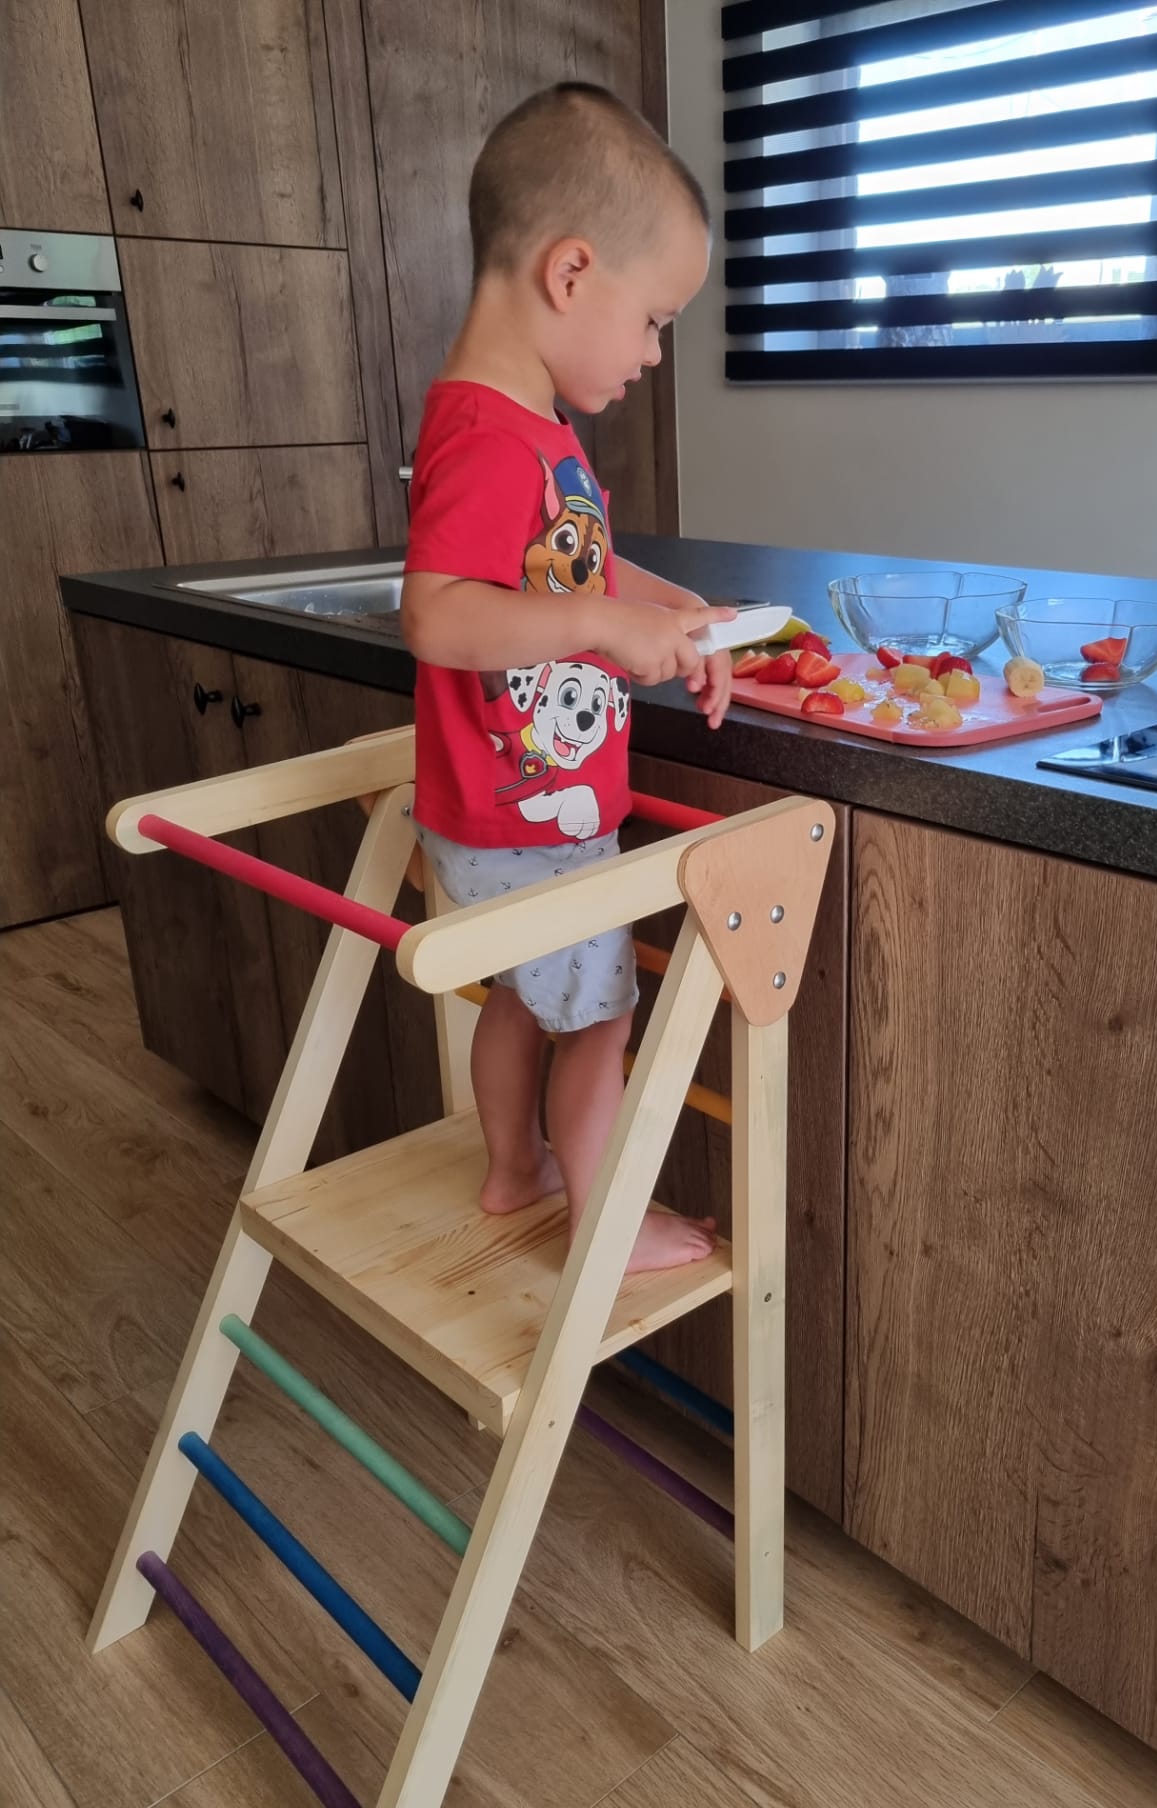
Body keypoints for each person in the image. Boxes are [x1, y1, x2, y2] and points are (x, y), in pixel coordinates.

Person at [401, 81, 733, 1274]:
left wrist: (664, 608)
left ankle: (515, 1169)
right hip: (527, 812)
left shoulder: (525, 428)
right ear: (571, 271)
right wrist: (601, 620)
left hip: (498, 806)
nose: (652, 353)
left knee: (516, 1003)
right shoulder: (494, 436)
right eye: (654, 320)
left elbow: (572, 559)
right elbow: (437, 616)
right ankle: (603, 1219)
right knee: (600, 1014)